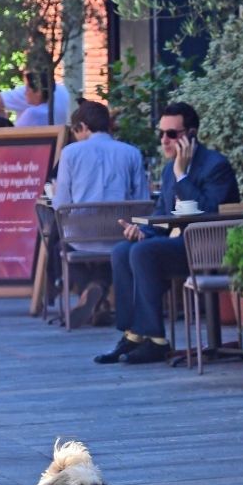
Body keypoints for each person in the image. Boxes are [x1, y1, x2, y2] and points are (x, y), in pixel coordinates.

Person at [94, 101, 240, 365]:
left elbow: (209, 211)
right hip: (178, 246)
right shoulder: (169, 168)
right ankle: (133, 334)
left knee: (143, 252)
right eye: (161, 133)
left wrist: (182, 176)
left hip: (210, 247)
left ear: (191, 134)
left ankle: (156, 340)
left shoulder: (215, 166)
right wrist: (142, 231)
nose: (164, 140)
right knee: (123, 250)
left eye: (172, 134)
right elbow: (164, 218)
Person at [51, 99, 150, 328]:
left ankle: (91, 290)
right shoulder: (132, 153)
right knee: (113, 242)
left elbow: (61, 205)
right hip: (120, 235)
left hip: (79, 238)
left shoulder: (70, 153)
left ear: (83, 126)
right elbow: (143, 202)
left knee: (58, 244)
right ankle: (100, 297)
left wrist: (56, 194)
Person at [0, 72, 70, 126]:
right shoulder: (64, 91)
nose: (25, 93)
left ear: (38, 92)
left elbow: (13, 136)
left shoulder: (32, 113)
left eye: (27, 89)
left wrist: (2, 121)